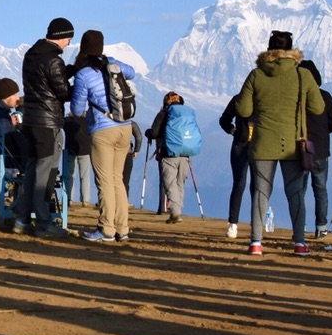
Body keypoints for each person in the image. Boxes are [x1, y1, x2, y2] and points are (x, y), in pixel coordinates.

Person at [232, 29, 322, 255]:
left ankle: (255, 242)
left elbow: (242, 109)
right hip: (294, 143)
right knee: (296, 193)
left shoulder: (256, 75)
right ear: (291, 50)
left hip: (262, 143)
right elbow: (318, 108)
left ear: (269, 49)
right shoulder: (303, 76)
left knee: (260, 193)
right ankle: (299, 242)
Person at [69, 29, 138, 243]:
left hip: (102, 129)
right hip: (125, 126)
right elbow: (133, 72)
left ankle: (106, 228)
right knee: (118, 179)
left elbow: (77, 108)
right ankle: (122, 227)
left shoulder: (84, 74)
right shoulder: (113, 64)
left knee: (105, 180)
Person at [16, 18, 74, 236]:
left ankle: (21, 217)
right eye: (68, 37)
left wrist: (69, 70)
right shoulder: (53, 61)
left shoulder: (31, 56)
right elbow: (63, 92)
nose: (68, 43)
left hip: (30, 120)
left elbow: (44, 82)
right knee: (46, 171)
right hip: (48, 122)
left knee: (32, 168)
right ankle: (43, 221)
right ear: (61, 36)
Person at [295, 60, 332, 239]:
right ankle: (321, 227)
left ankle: (299, 226)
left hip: (300, 150)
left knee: (299, 190)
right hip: (321, 150)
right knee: (320, 190)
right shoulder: (326, 96)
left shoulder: (297, 98)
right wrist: (323, 132)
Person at [146, 92, 200, 221]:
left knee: (170, 183)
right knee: (180, 182)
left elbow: (154, 132)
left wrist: (148, 133)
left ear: (166, 102)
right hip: (186, 153)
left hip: (168, 153)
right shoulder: (188, 113)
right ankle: (177, 210)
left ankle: (175, 211)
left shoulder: (165, 113)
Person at [216, 101, 253, 239]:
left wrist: (233, 131)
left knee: (244, 185)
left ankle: (238, 225)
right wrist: (232, 131)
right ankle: (236, 223)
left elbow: (224, 119)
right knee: (243, 184)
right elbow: (224, 119)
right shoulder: (241, 99)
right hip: (248, 145)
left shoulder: (240, 99)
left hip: (245, 145)